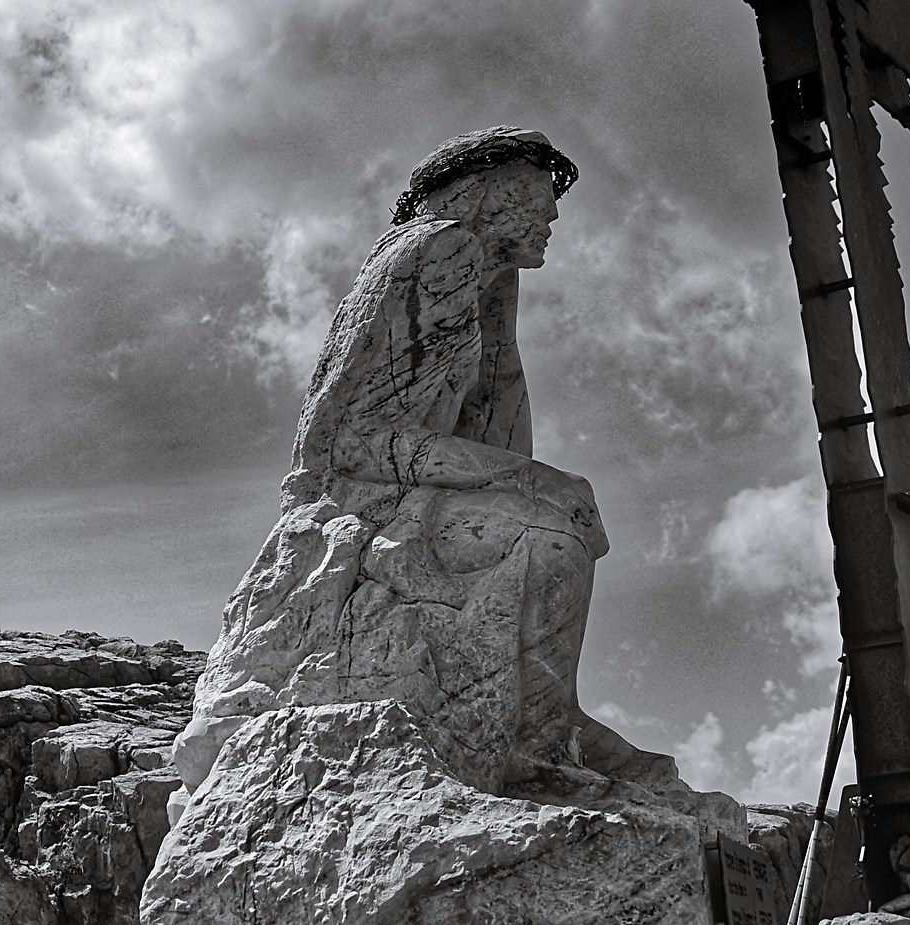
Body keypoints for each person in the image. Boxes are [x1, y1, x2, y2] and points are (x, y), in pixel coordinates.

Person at [173, 127, 676, 796]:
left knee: (563, 515)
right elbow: (348, 440)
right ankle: (535, 748)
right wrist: (531, 482)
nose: (552, 215)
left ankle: (550, 720)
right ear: (484, 194)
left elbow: (498, 427)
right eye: (534, 196)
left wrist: (530, 471)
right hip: (359, 496)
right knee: (548, 536)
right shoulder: (439, 250)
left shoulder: (485, 276)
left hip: (412, 484)